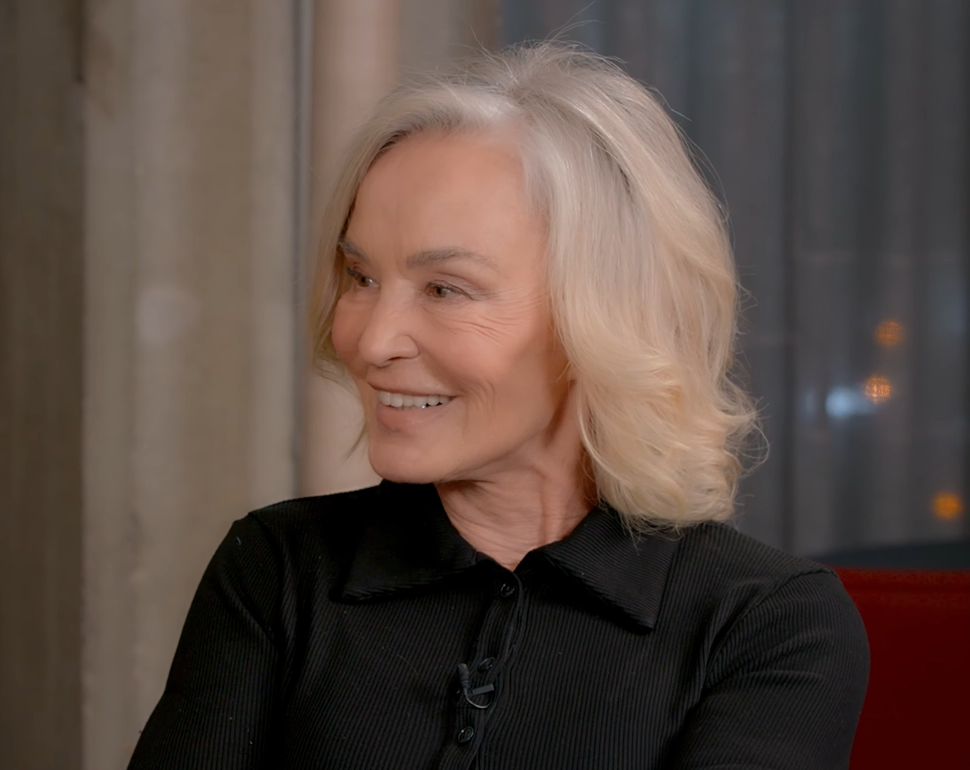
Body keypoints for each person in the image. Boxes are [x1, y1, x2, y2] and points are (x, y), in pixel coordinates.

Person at [128, 43, 869, 769]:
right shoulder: (277, 570)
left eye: (445, 288)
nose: (370, 339)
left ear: (604, 319)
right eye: (360, 277)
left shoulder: (768, 626)